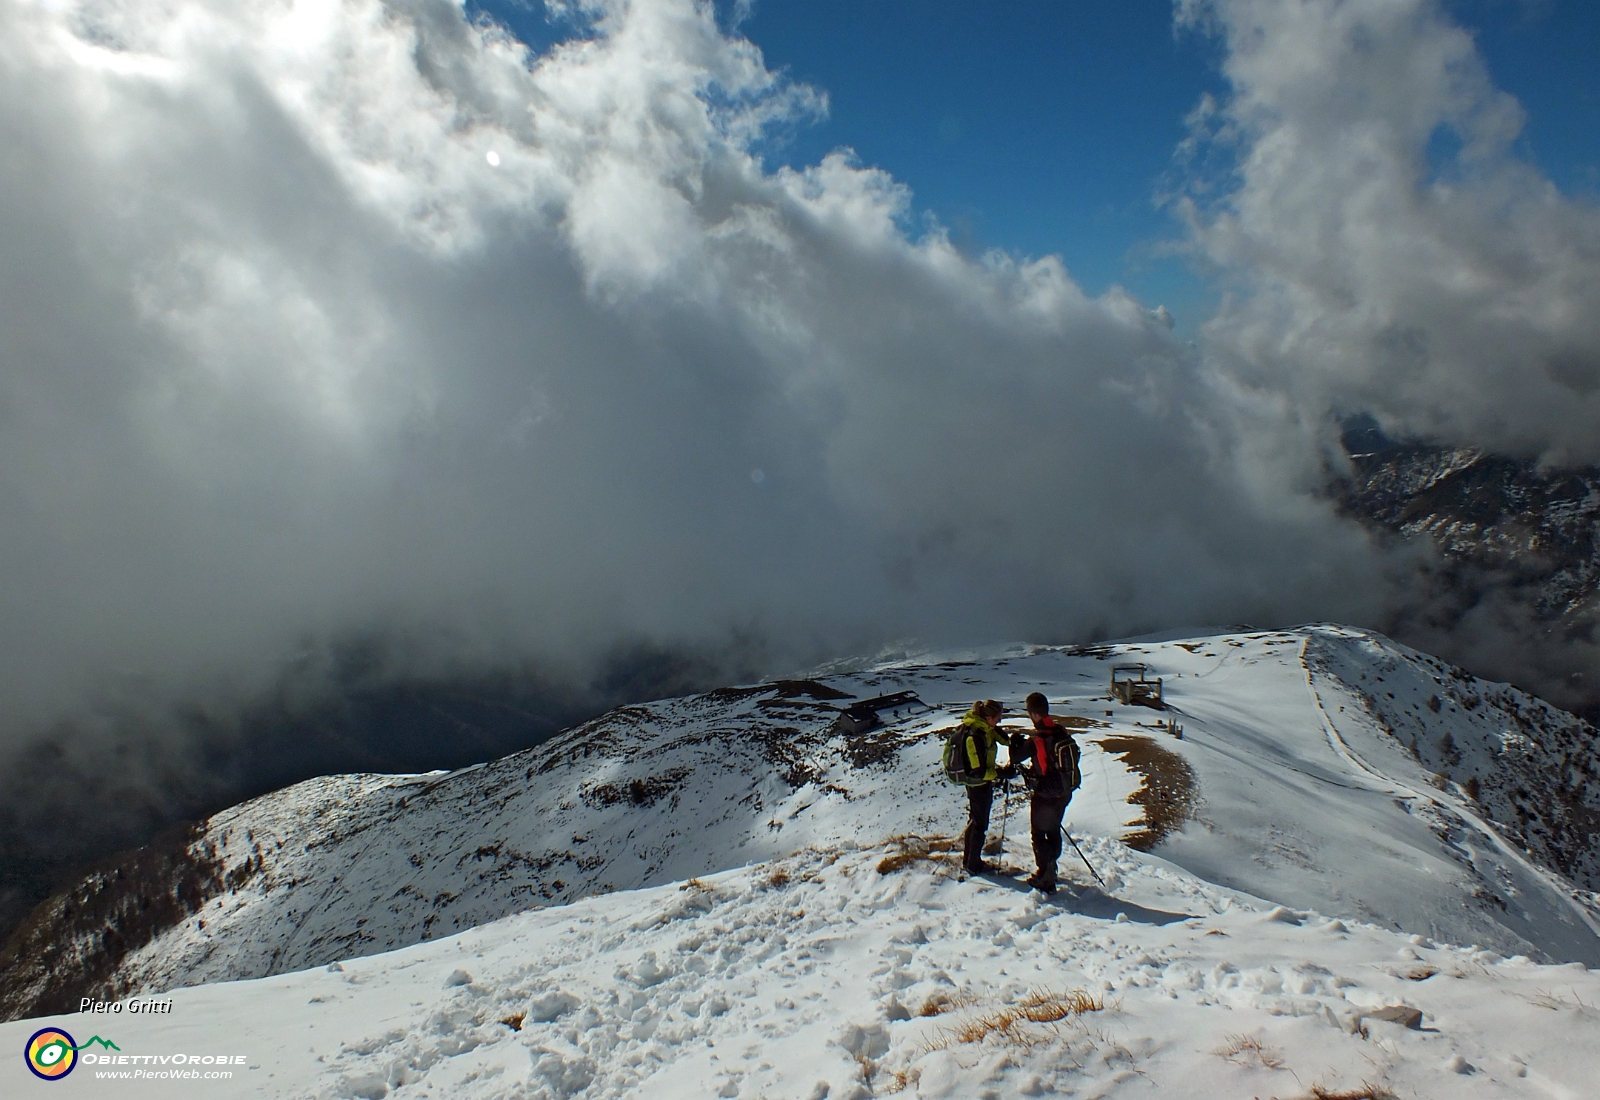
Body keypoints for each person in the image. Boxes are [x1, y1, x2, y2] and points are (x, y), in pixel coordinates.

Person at [1017, 692, 1082, 894]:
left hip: (1046, 793)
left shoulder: (1038, 739)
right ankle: (1051, 867)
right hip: (1064, 791)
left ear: (1034, 714)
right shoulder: (1060, 731)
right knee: (1052, 829)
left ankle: (1046, 875)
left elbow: (1016, 756)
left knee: (1038, 833)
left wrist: (1015, 743)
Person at [956, 699, 1018, 875]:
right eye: (998, 718)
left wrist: (1012, 741)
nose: (999, 722)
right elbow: (978, 771)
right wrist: (1001, 773)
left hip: (981, 783)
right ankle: (972, 865)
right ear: (989, 717)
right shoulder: (975, 735)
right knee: (979, 824)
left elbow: (1003, 739)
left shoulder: (985, 728)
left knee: (976, 821)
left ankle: (970, 861)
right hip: (977, 784)